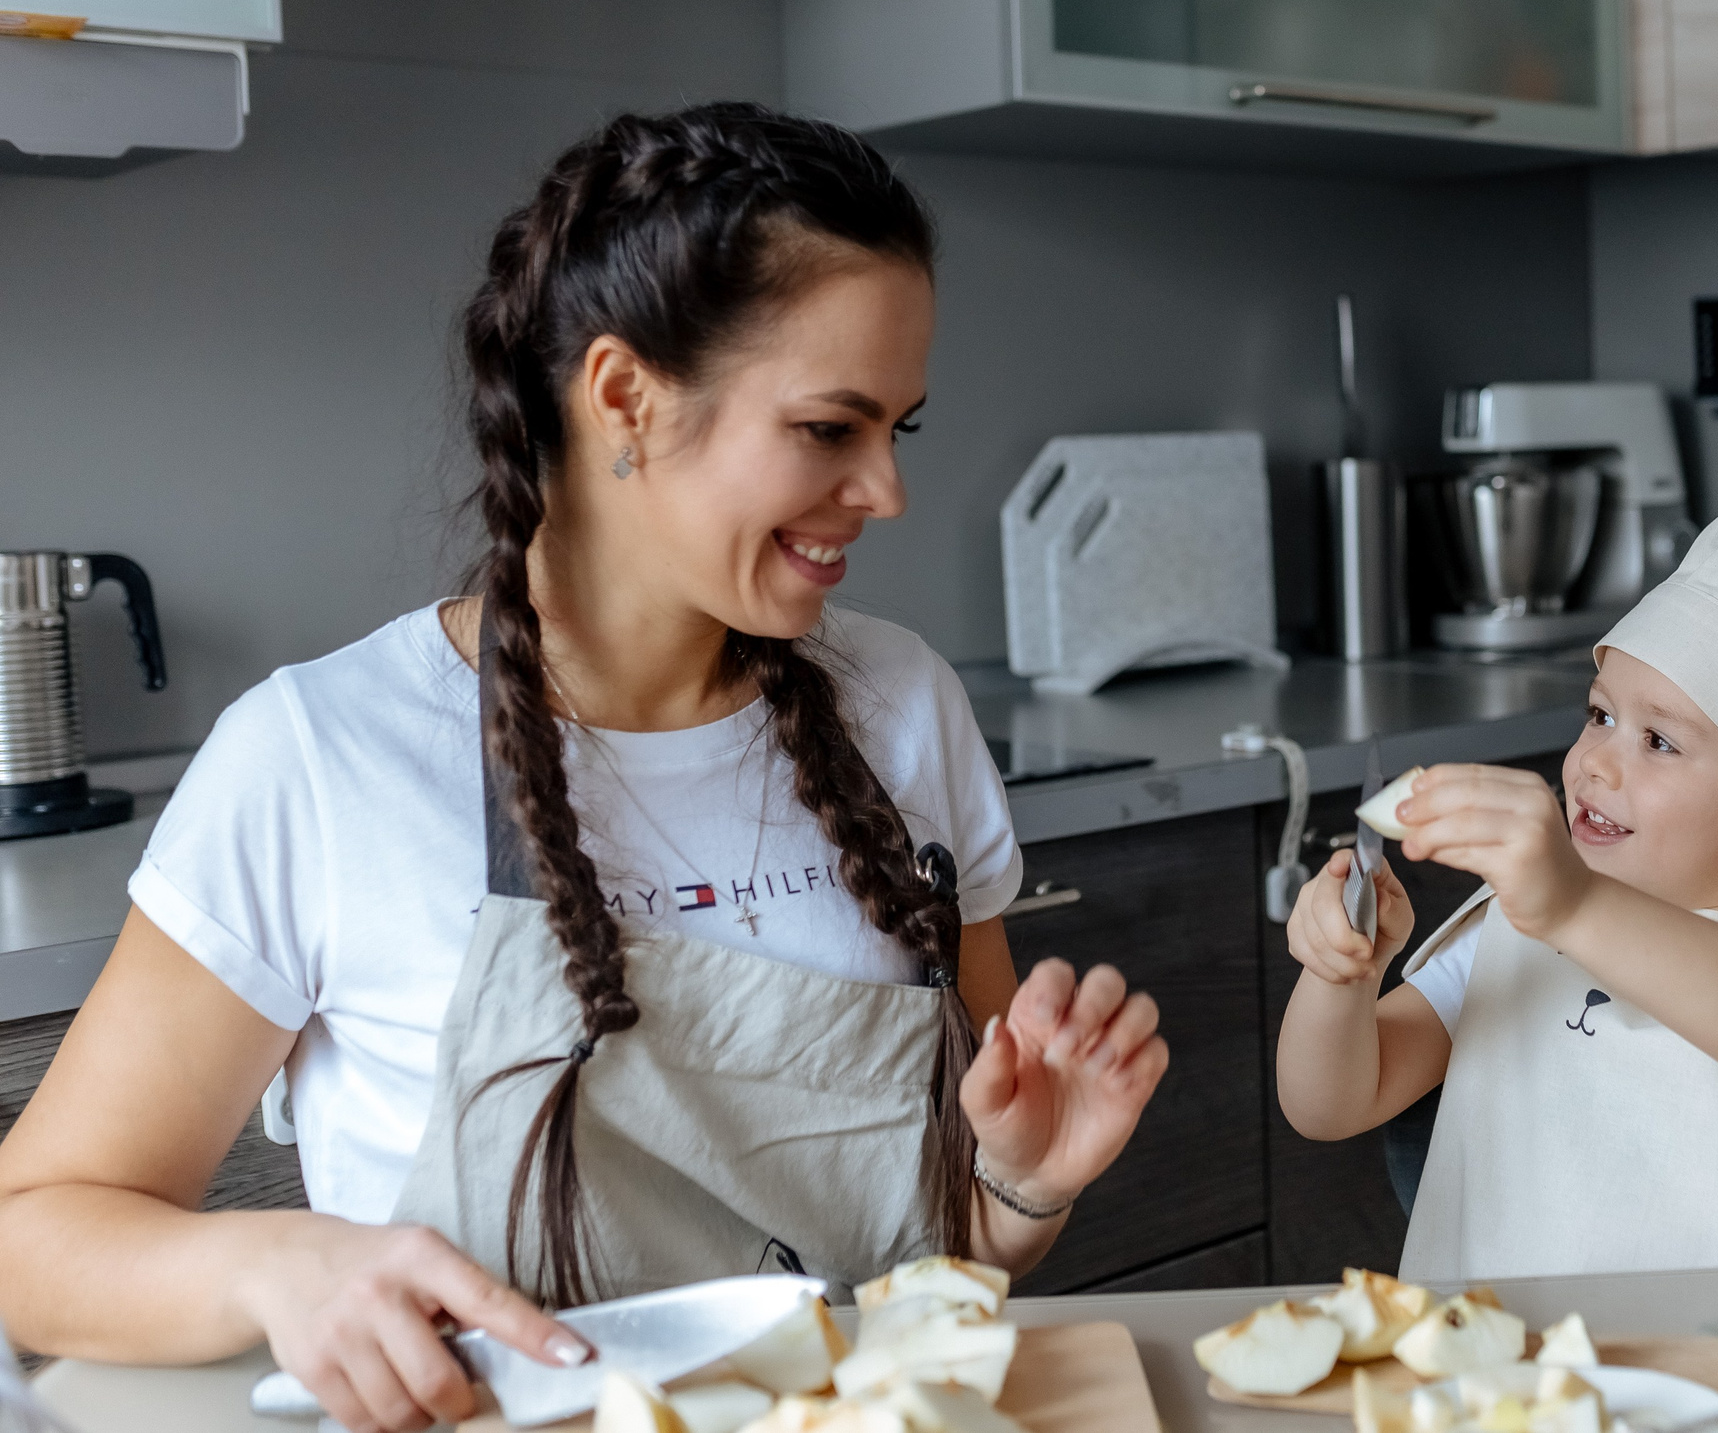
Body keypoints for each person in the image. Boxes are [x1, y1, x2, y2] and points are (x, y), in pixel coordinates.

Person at [0, 105, 1169, 1433]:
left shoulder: (904, 707)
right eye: (829, 427)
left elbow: (953, 1251)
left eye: (900, 427)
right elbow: (29, 1232)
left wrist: (1024, 1182)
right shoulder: (320, 756)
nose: (886, 488)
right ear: (623, 396)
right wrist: (276, 1263)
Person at [1276, 441, 1718, 1281]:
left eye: (1658, 740)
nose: (1594, 761)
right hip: (1491, 1359)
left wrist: (1574, 908)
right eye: (1600, 715)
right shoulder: (1509, 924)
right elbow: (1329, 1105)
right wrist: (1338, 979)